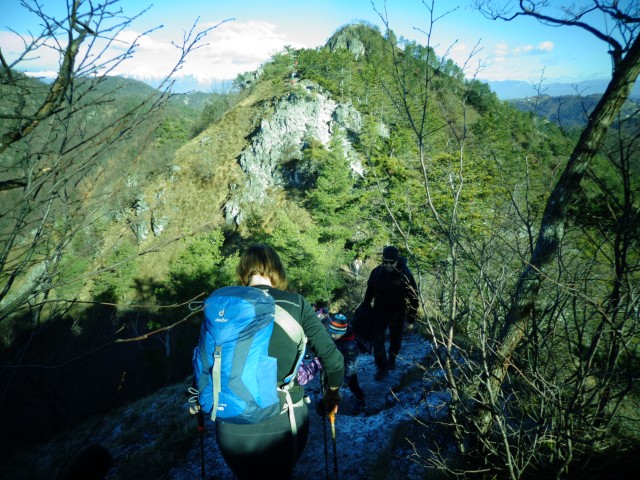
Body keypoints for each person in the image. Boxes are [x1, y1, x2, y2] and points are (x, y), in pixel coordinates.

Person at [204, 243, 345, 479]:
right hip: (281, 419)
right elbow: (334, 360)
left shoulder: (222, 306)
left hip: (230, 422)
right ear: (277, 270)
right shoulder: (295, 304)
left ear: (244, 271)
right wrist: (332, 393)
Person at [363, 245, 419, 380]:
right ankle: (382, 367)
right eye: (385, 262)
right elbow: (369, 291)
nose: (388, 265)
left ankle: (392, 359)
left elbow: (414, 297)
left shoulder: (405, 275)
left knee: (396, 338)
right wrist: (365, 308)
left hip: (398, 312)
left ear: (396, 261)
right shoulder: (376, 273)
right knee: (377, 340)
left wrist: (411, 319)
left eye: (391, 262)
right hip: (379, 311)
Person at [327, 313, 366, 414]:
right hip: (337, 366)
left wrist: (346, 379)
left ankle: (360, 400)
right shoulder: (336, 337)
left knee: (353, 385)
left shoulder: (350, 345)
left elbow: (351, 364)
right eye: (331, 332)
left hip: (349, 370)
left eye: (335, 333)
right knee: (330, 384)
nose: (332, 335)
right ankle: (329, 400)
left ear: (343, 332)